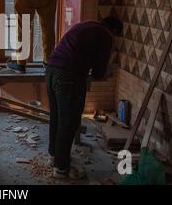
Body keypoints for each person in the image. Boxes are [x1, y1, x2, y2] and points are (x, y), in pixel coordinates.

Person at [46, 16, 123, 179]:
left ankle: (55, 156)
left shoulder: (86, 24)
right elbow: (98, 72)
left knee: (57, 117)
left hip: (52, 70)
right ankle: (61, 168)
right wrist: (105, 72)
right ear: (114, 31)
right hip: (69, 76)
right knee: (68, 121)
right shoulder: (106, 35)